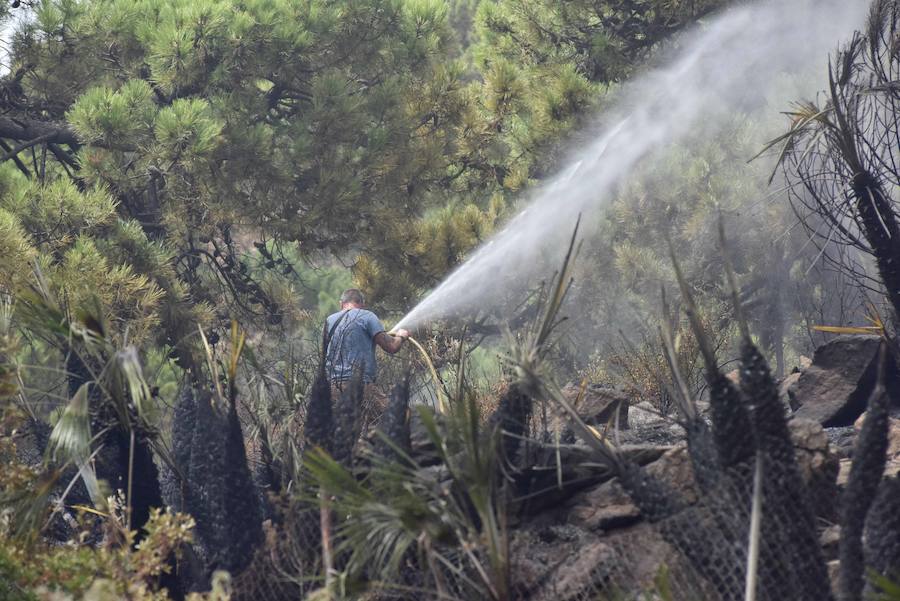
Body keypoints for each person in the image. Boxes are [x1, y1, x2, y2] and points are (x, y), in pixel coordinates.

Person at [323, 288, 409, 425]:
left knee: (346, 433)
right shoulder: (367, 316)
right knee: (401, 420)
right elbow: (391, 347)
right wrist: (401, 336)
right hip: (361, 388)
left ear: (341, 304)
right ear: (362, 303)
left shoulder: (329, 320)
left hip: (333, 390)